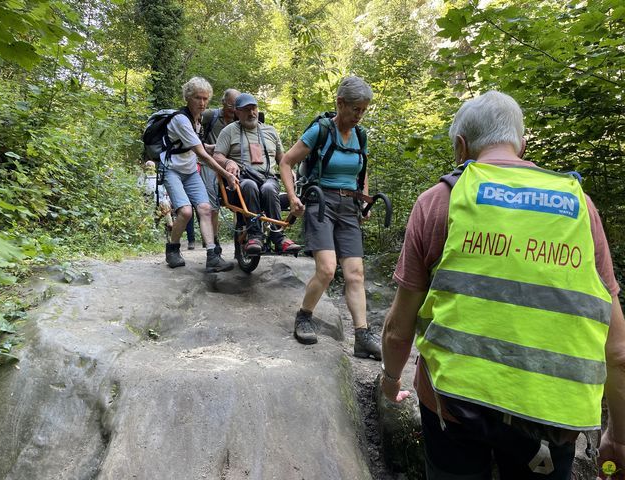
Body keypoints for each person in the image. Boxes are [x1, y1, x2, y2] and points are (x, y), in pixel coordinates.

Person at [380, 90, 625, 479]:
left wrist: (390, 382)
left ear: (461, 147)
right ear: (522, 144)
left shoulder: (438, 202)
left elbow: (398, 327)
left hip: (453, 407)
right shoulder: (581, 208)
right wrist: (620, 437)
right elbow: (617, 350)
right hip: (551, 415)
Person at [279, 76, 381, 360]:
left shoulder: (360, 135)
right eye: (355, 109)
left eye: (363, 110)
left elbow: (362, 170)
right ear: (340, 103)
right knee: (326, 269)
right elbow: (286, 161)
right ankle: (304, 316)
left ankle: (361, 336)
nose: (359, 115)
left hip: (349, 207)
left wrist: (365, 200)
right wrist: (292, 196)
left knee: (355, 274)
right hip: (321, 203)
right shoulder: (320, 131)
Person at [161, 76, 238, 271]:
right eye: (197, 98)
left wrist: (222, 152)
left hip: (189, 170)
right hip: (172, 170)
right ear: (187, 97)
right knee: (186, 212)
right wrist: (226, 173)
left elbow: (201, 145)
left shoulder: (197, 120)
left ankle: (213, 256)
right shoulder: (181, 119)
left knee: (205, 208)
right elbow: (201, 154)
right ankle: (173, 249)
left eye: (205, 98)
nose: (202, 103)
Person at [214, 93, 301, 255]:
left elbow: (283, 160)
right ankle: (255, 236)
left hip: (268, 178)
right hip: (241, 183)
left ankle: (278, 237)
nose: (251, 113)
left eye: (253, 108)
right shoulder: (229, 131)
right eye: (246, 110)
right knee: (249, 185)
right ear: (237, 112)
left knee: (268, 188)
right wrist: (228, 162)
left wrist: (291, 172)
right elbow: (217, 156)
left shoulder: (270, 131)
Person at [188, 88, 242, 252]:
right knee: (212, 205)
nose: (234, 109)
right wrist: (206, 148)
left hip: (232, 164)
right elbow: (191, 133)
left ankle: (240, 245)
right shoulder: (210, 116)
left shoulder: (241, 120)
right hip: (209, 164)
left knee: (240, 202)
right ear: (223, 102)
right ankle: (213, 242)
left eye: (237, 106)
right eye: (232, 105)